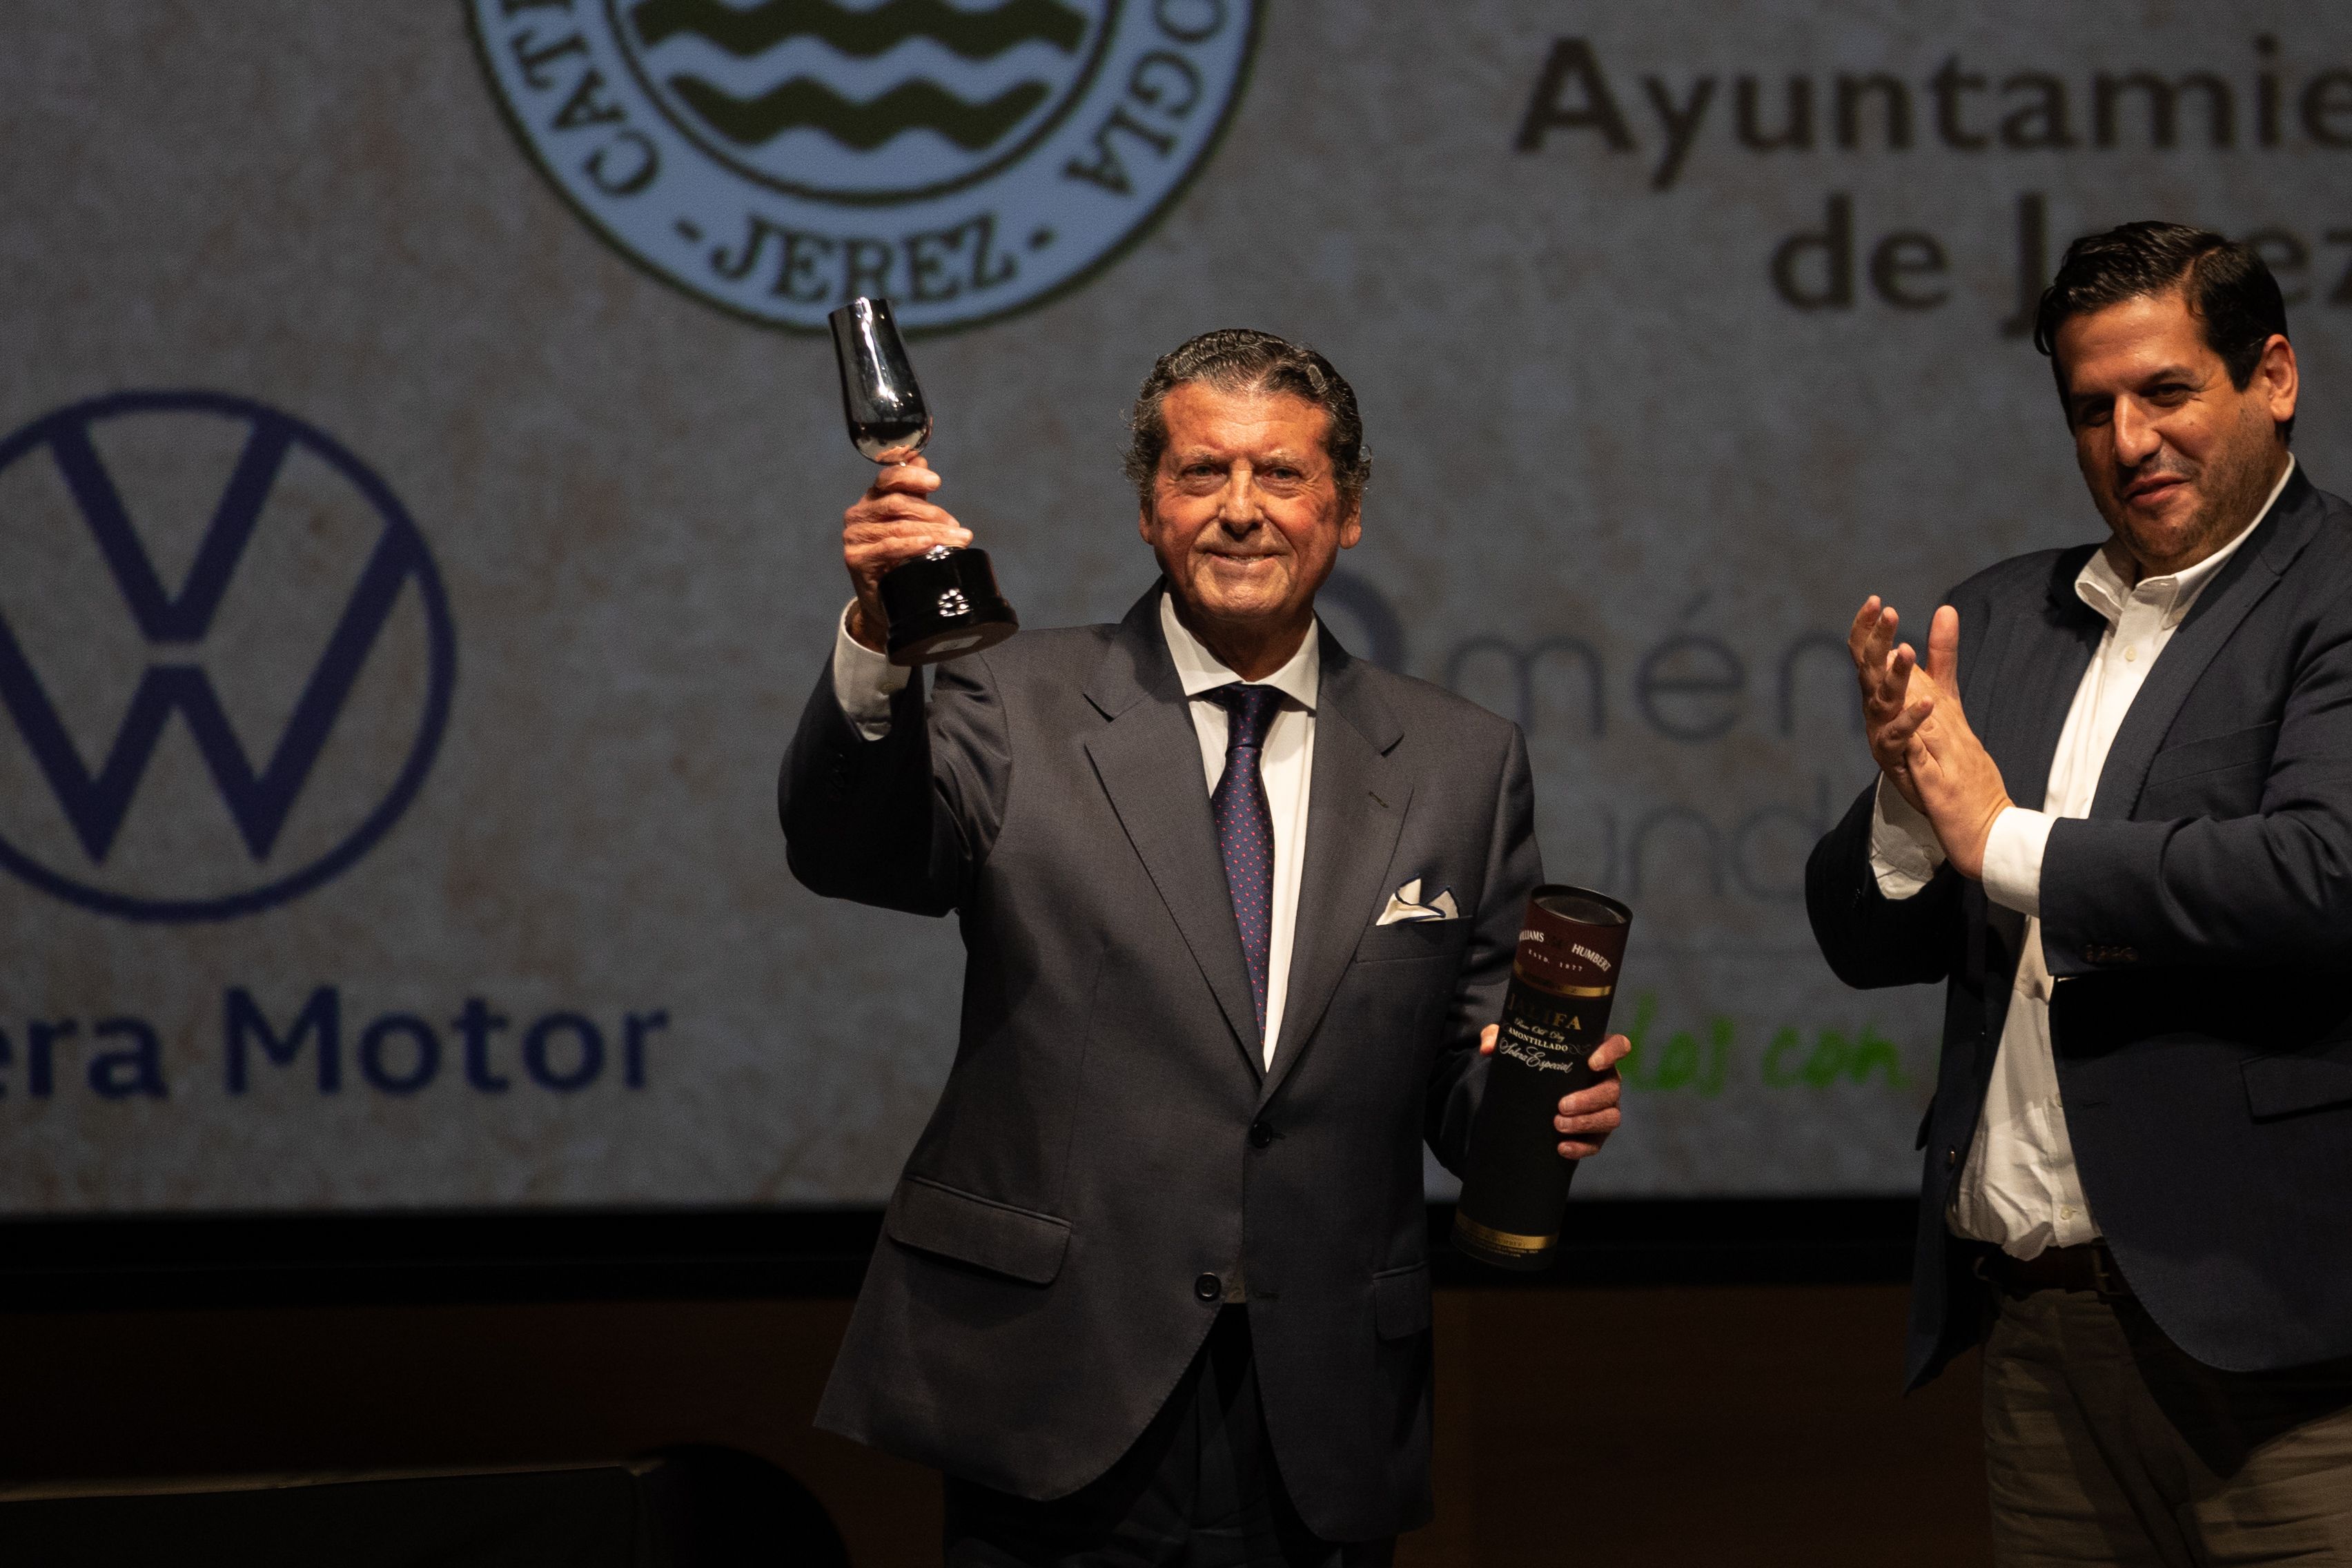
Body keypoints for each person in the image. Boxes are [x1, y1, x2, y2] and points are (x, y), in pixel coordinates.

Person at [781, 329, 1630, 1565]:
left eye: (1281, 474)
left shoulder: (1461, 760)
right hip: (1055, 1381)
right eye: (1199, 473)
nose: (1241, 510)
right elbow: (851, 853)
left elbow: (1465, 1065)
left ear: (1347, 511)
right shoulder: (1008, 698)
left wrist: (1532, 1101)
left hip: (1323, 1400)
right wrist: (875, 643)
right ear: (1148, 510)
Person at [1807, 222, 2352, 1560]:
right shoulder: (2000, 620)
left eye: (2166, 392)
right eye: (2092, 409)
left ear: (2273, 376)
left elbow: (2323, 872)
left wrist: (2003, 840)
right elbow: (1866, 943)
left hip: (2279, 1335)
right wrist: (1909, 800)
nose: (2130, 439)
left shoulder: (2336, 590)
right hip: (2040, 1327)